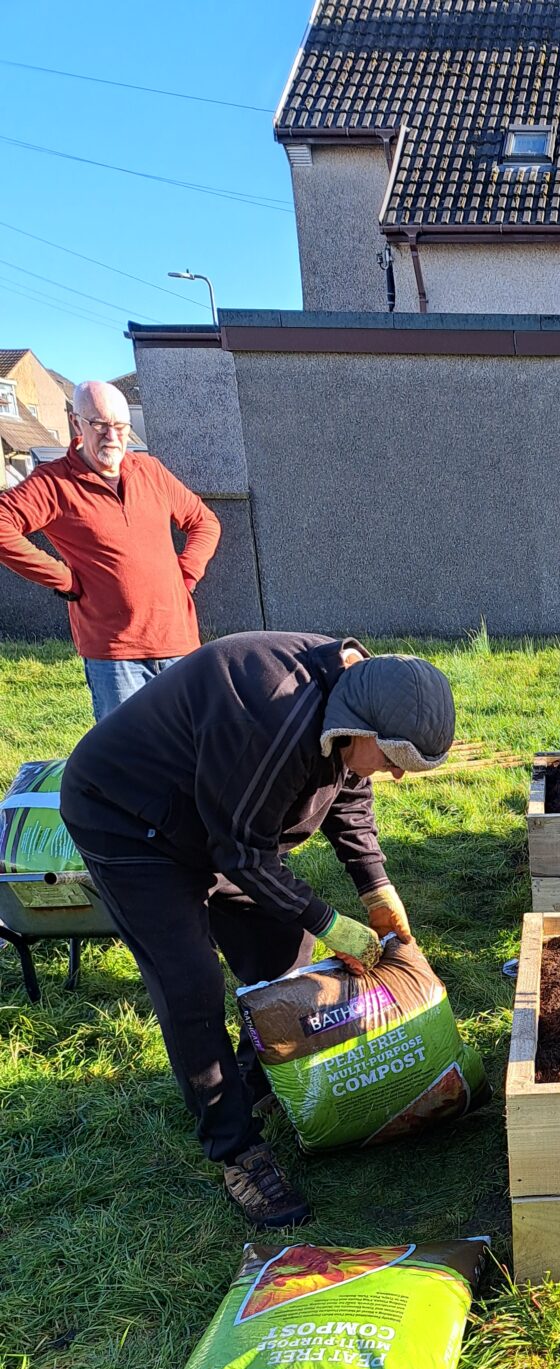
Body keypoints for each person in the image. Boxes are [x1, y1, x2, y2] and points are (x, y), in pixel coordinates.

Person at [60, 633, 456, 1229]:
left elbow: (348, 794)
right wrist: (330, 924)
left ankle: (254, 1075)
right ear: (361, 730)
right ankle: (236, 1148)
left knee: (284, 951)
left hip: (216, 816)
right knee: (190, 982)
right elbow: (244, 857)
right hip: (127, 817)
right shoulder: (271, 717)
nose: (397, 778)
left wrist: (377, 888)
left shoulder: (351, 703)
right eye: (396, 762)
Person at [0, 379, 219, 723]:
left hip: (179, 642)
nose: (112, 436)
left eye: (120, 426)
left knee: (192, 747)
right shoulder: (53, 483)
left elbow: (204, 521)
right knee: (128, 759)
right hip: (115, 656)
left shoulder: (150, 472)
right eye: (100, 425)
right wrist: (63, 578)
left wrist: (187, 573)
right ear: (77, 422)